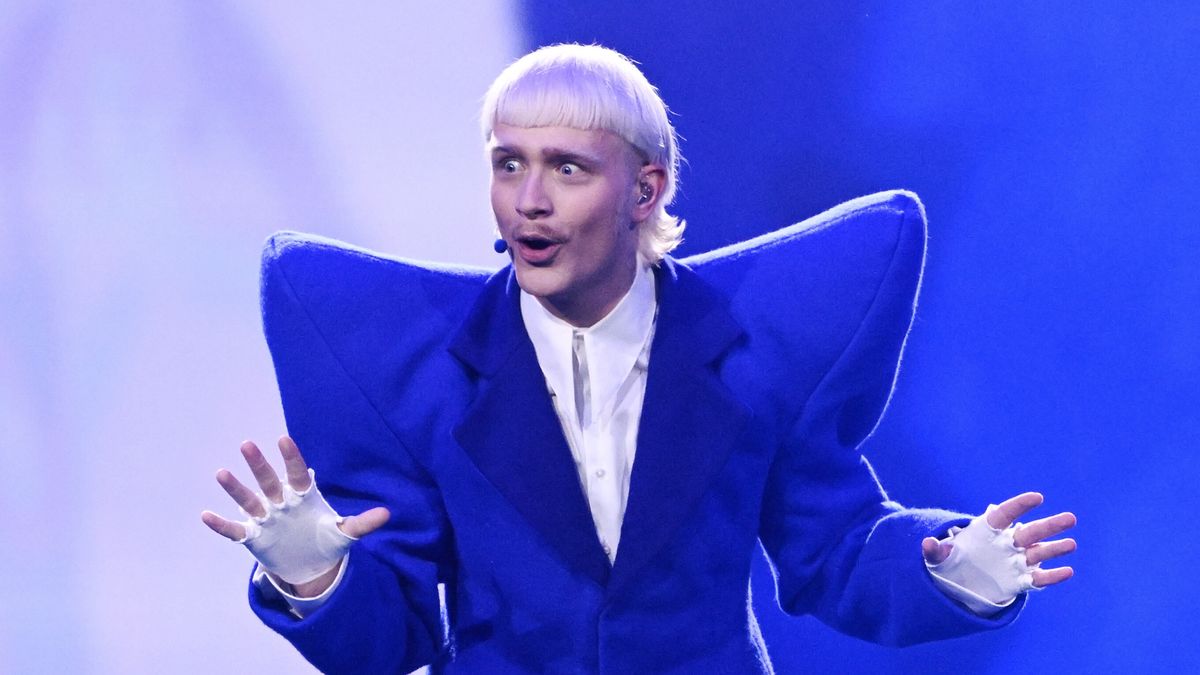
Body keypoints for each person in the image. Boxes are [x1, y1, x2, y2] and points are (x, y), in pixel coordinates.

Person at [201, 44, 1076, 673]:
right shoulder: (428, 374)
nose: (530, 201)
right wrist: (317, 576)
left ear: (646, 189)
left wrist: (952, 567)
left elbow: (835, 551)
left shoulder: (749, 358)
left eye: (568, 169)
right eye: (509, 165)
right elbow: (388, 643)